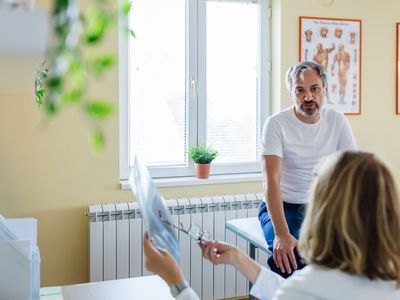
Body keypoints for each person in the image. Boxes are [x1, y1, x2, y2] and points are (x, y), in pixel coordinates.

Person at [144, 151, 400, 300]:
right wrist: (238, 258)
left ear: (322, 212)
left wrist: (176, 282)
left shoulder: (308, 289)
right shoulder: (388, 279)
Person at [258, 61, 357, 278]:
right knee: (292, 260)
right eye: (300, 90)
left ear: (325, 89)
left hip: (322, 208)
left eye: (314, 89)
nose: (308, 97)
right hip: (284, 208)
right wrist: (282, 234)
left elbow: (352, 174)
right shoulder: (276, 124)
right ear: (291, 92)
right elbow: (271, 181)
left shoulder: (337, 121)